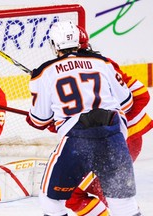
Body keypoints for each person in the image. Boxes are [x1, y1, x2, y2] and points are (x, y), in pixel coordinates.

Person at [26, 20, 142, 215]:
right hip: (113, 137)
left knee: (51, 201)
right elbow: (127, 102)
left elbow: (39, 119)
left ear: (54, 45)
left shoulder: (44, 72)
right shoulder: (103, 63)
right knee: (124, 204)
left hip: (77, 141)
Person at [77, 25, 153, 162]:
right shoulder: (66, 70)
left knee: (102, 182)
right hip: (113, 140)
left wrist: (117, 124)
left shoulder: (103, 64)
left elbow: (141, 94)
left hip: (125, 139)